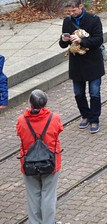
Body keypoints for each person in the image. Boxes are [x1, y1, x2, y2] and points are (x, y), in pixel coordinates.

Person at [58, 0, 105, 133]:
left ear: (81, 7)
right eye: (69, 11)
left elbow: (98, 39)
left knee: (94, 92)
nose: (71, 14)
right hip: (76, 63)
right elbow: (62, 45)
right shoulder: (67, 22)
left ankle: (94, 119)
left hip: (93, 62)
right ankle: (85, 115)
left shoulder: (94, 19)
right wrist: (63, 39)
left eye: (73, 10)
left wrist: (82, 41)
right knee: (78, 93)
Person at [16, 90, 63, 224]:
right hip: (51, 162)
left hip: (28, 163)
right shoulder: (54, 118)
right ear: (45, 103)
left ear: (30, 104)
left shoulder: (21, 120)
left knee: (33, 195)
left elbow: (20, 133)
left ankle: (34, 222)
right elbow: (58, 131)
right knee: (48, 195)